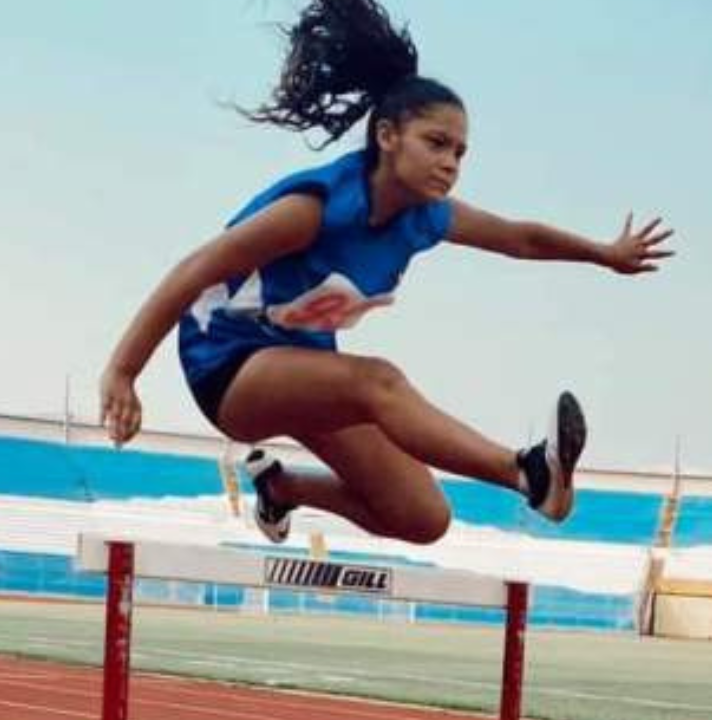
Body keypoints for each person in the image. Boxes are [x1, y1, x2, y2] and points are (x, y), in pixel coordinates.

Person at [98, 0, 674, 546]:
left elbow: (519, 238)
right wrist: (123, 372)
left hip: (306, 367)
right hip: (228, 367)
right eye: (437, 143)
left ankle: (282, 489)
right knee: (377, 381)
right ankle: (526, 474)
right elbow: (195, 269)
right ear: (387, 136)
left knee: (422, 516)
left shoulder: (427, 217)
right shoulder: (315, 210)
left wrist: (605, 253)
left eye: (460, 153)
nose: (450, 163)